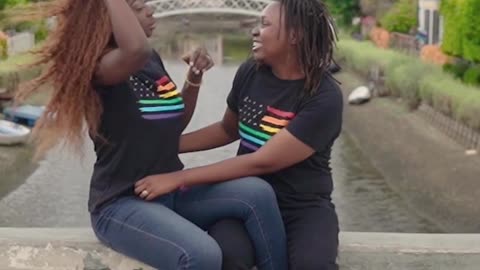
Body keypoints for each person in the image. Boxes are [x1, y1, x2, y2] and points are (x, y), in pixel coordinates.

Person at [15, 0, 288, 269]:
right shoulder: (99, 68)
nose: (151, 10)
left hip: (169, 191)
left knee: (257, 192)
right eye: (138, 6)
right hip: (121, 203)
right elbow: (135, 49)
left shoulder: (151, 61)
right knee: (202, 255)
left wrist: (193, 80)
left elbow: (173, 124)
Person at [134, 0, 343, 269]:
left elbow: (262, 161)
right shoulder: (251, 72)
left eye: (265, 25)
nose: (255, 31)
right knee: (229, 256)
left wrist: (177, 178)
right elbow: (227, 130)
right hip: (242, 199)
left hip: (301, 208)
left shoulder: (324, 96)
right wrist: (167, 148)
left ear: (295, 35)